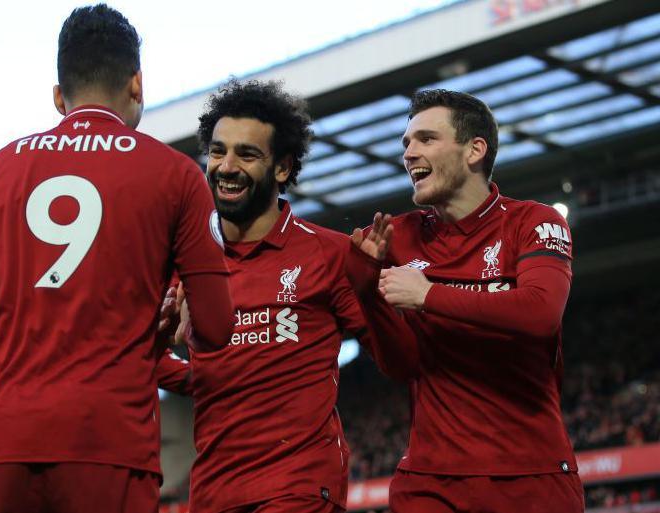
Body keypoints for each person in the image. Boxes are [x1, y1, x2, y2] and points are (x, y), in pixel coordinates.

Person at [0, 5, 233, 513]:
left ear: (56, 96)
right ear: (137, 83)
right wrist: (170, 324)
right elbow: (218, 327)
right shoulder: (175, 176)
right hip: (107, 440)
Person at [156, 79, 417, 513]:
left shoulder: (331, 253)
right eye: (218, 151)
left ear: (282, 167)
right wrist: (177, 359)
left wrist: (370, 291)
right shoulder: (186, 263)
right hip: (213, 491)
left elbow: (403, 362)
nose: (226, 166)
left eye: (247, 153)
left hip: (298, 485)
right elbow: (148, 360)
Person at [347, 89, 584, 513]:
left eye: (425, 139)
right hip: (429, 482)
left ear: (475, 149)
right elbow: (403, 365)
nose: (409, 153)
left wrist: (429, 294)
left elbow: (540, 313)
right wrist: (370, 295)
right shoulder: (395, 237)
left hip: (532, 475)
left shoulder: (533, 221)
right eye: (406, 144)